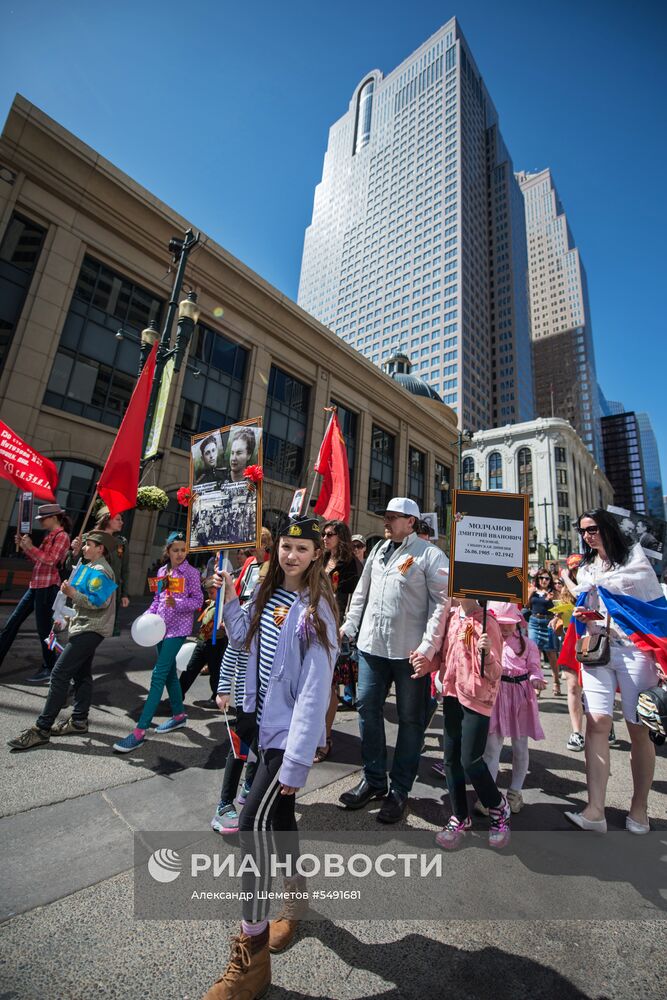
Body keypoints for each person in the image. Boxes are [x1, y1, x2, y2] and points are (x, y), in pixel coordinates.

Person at [202, 516, 338, 999]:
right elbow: (240, 639)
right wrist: (229, 596)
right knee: (278, 815)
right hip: (259, 726)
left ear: (316, 554)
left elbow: (314, 689)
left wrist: (298, 760)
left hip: (286, 739)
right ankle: (296, 898)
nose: (291, 556)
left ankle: (251, 955)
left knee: (250, 827)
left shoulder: (316, 610)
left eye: (302, 548)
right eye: (286, 546)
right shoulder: (266, 589)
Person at [338, 497, 449, 824]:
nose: (385, 521)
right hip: (372, 647)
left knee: (410, 720)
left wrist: (429, 648)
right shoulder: (376, 550)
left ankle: (400, 789)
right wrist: (349, 625)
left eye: (392, 517)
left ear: (411, 522)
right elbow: (362, 592)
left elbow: (441, 604)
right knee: (366, 707)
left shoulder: (430, 555)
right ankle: (374, 780)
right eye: (384, 516)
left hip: (409, 653)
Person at [563, 509, 662, 835]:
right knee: (596, 724)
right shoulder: (588, 569)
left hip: (635, 654)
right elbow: (594, 605)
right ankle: (595, 810)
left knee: (638, 730)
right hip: (597, 651)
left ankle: (639, 808)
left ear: (607, 528)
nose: (588, 536)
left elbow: (652, 608)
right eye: (583, 531)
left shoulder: (634, 560)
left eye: (592, 529)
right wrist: (584, 611)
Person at [410, 598, 509, 849]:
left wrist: (486, 656)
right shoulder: (452, 618)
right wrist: (427, 666)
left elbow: (496, 672)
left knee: (470, 760)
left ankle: (497, 806)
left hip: (478, 699)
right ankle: (460, 817)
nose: (450, 592)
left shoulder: (489, 624)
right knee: (450, 759)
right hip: (452, 694)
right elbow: (445, 658)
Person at [7, 531, 117, 750]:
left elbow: (99, 602)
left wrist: (72, 593)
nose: (84, 548)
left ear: (100, 549)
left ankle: (42, 729)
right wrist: (66, 616)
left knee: (59, 673)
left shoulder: (101, 570)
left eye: (89, 545)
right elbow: (82, 603)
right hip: (83, 626)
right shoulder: (90, 568)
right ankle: (78, 721)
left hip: (90, 629)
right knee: (81, 674)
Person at [113, 531, 203, 752]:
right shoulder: (163, 572)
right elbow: (156, 600)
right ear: (168, 552)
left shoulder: (191, 573)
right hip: (159, 628)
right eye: (176, 550)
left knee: (159, 674)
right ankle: (179, 714)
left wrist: (178, 604)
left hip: (178, 630)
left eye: (183, 550)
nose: (180, 553)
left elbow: (199, 600)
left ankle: (140, 730)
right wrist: (146, 617)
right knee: (170, 672)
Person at [209, 528, 273, 836]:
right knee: (239, 749)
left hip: (271, 700)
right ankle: (224, 804)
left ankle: (250, 786)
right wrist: (223, 689)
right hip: (246, 700)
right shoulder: (247, 615)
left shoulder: (283, 616)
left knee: (264, 749)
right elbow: (232, 651)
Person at [480, 602, 546, 814]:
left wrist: (536, 679)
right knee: (492, 748)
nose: (506, 628)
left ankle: (515, 791)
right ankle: (488, 795)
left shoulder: (528, 644)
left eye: (510, 623)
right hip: (497, 694)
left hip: (521, 697)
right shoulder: (490, 641)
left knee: (520, 747)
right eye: (501, 623)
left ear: (518, 622)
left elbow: (535, 668)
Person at [0, 502, 71, 685]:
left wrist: (30, 547)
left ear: (54, 517)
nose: (40, 522)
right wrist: (25, 547)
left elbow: (51, 561)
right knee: (11, 624)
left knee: (45, 632)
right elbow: (38, 561)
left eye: (43, 518)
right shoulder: (50, 536)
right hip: (36, 586)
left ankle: (51, 666)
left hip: (48, 587)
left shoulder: (62, 536)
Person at [314, 520, 363, 761]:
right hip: (313, 626)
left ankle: (325, 738)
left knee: (329, 685)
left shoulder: (350, 565)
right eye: (323, 534)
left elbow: (355, 600)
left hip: (335, 629)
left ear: (341, 536)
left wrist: (345, 628)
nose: (325, 537)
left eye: (330, 534)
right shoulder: (321, 560)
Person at [67, 506, 131, 634]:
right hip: (88, 591)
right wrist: (74, 552)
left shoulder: (121, 543)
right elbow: (71, 566)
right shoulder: (87, 539)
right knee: (85, 629)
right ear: (107, 520)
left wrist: (124, 594)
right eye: (118, 519)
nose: (121, 522)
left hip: (111, 593)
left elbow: (124, 570)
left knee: (98, 630)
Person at [178, 577, 227, 707]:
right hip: (203, 640)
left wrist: (224, 625)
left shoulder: (226, 605)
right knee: (191, 668)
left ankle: (216, 698)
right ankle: (178, 695)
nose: (209, 595)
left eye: (212, 592)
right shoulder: (212, 602)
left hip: (216, 642)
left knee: (215, 672)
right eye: (208, 592)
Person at [557, 554, 586, 751]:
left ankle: (605, 724)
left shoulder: (591, 584)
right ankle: (577, 732)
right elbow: (562, 614)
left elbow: (580, 593)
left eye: (578, 568)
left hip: (594, 642)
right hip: (572, 640)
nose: (576, 572)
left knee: (592, 689)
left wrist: (565, 576)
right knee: (573, 687)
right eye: (572, 569)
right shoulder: (566, 591)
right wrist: (557, 620)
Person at [527, 569, 560, 695]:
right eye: (541, 578)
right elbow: (525, 605)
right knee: (535, 654)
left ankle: (556, 681)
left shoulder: (554, 592)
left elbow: (559, 609)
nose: (544, 580)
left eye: (547, 578)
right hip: (534, 621)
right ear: (537, 579)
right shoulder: (533, 590)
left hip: (549, 622)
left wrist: (552, 602)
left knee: (551, 654)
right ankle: (537, 683)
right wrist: (530, 593)